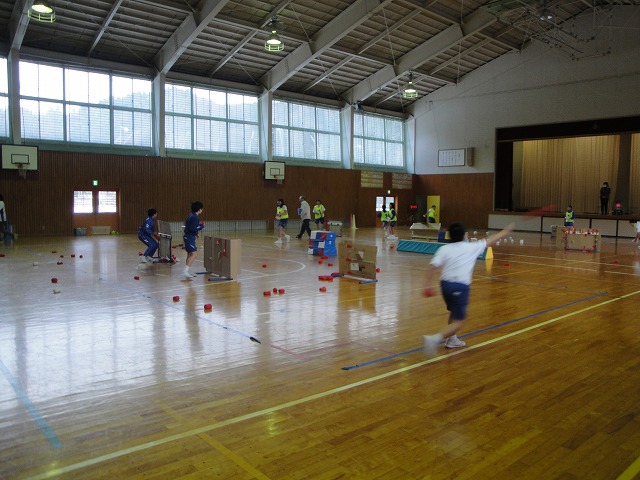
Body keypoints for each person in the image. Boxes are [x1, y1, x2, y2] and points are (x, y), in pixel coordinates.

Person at [422, 222, 514, 356]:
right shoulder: (472, 247)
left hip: (445, 286)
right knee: (459, 321)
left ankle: (452, 340)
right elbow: (492, 239)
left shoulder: (444, 249)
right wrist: (506, 230)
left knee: (454, 312)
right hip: (459, 286)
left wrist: (427, 285)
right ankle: (434, 339)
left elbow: (433, 267)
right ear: (464, 235)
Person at [183, 201, 204, 279]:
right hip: (189, 237)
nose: (202, 210)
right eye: (202, 209)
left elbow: (190, 226)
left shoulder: (191, 215)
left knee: (189, 254)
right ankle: (185, 271)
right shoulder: (195, 217)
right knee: (194, 254)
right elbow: (193, 228)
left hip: (188, 236)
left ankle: (187, 271)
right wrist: (201, 226)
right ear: (199, 209)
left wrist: (196, 233)